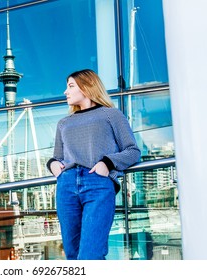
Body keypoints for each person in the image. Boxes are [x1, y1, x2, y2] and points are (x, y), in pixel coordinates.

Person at [47, 69, 140, 260]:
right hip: (66, 186)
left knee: (91, 255)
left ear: (87, 87)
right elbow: (56, 156)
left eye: (71, 86)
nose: (66, 91)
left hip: (98, 183)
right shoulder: (63, 123)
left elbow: (133, 151)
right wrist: (53, 165)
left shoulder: (111, 115)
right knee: (72, 254)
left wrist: (107, 162)